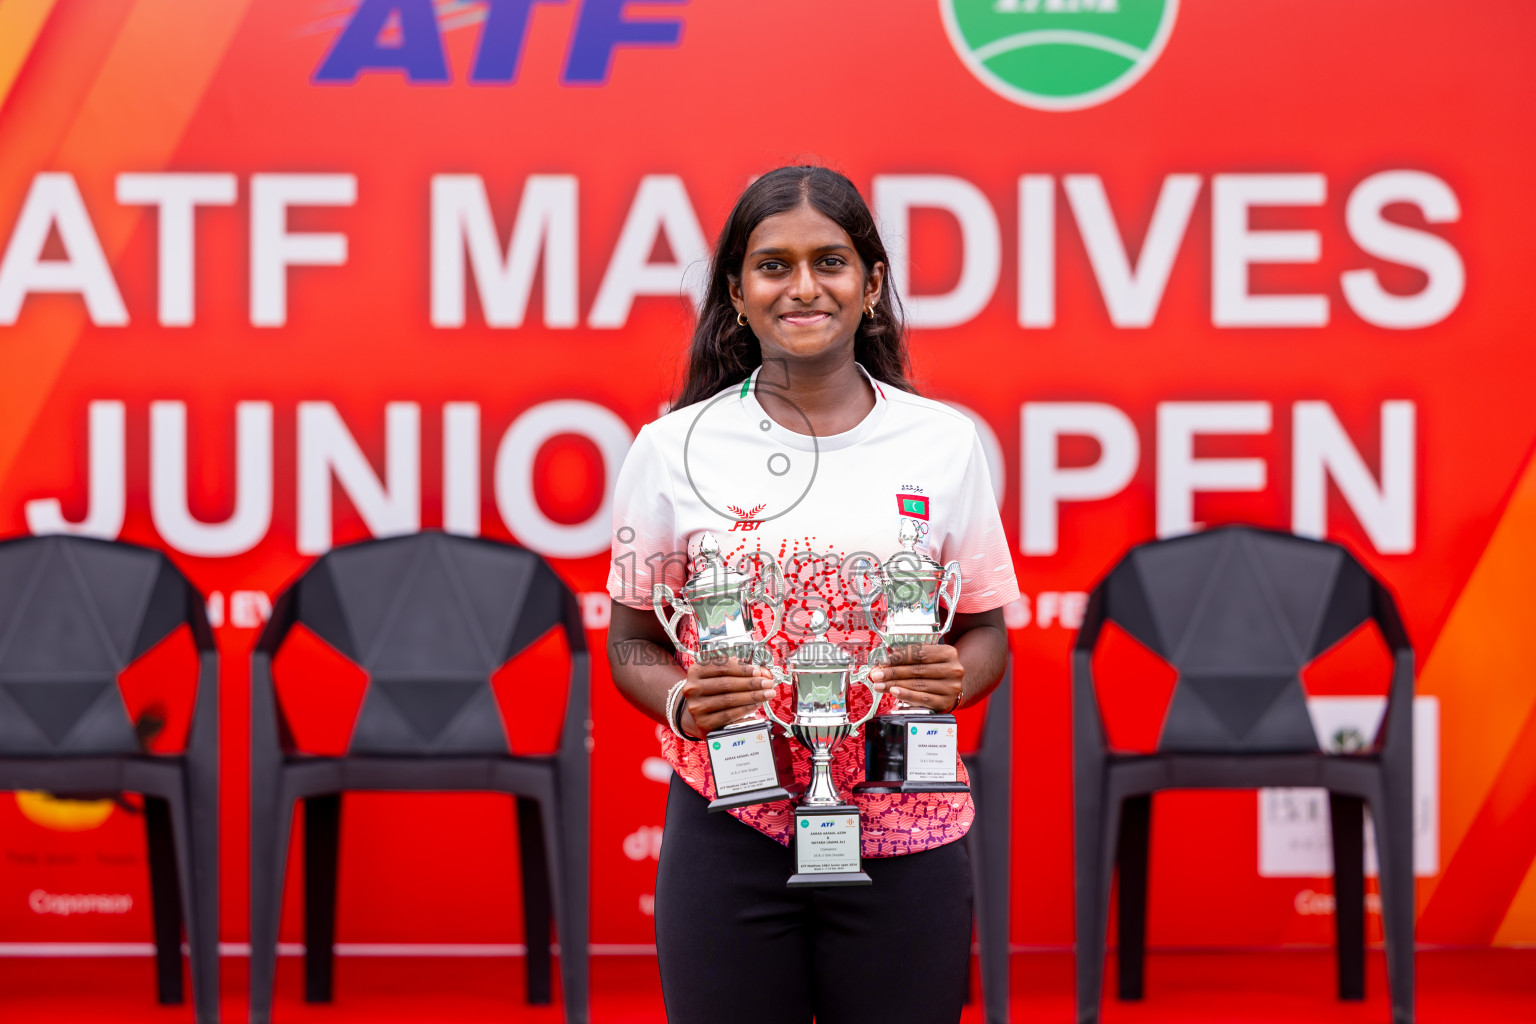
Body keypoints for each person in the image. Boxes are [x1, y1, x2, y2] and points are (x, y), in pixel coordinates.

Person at [605, 165, 1020, 1024]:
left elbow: (983, 631)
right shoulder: (672, 446)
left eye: (829, 262)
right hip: (730, 826)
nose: (802, 287)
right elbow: (632, 640)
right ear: (737, 291)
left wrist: (954, 678)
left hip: (909, 828)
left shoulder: (943, 443)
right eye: (773, 265)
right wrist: (683, 700)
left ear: (871, 285)